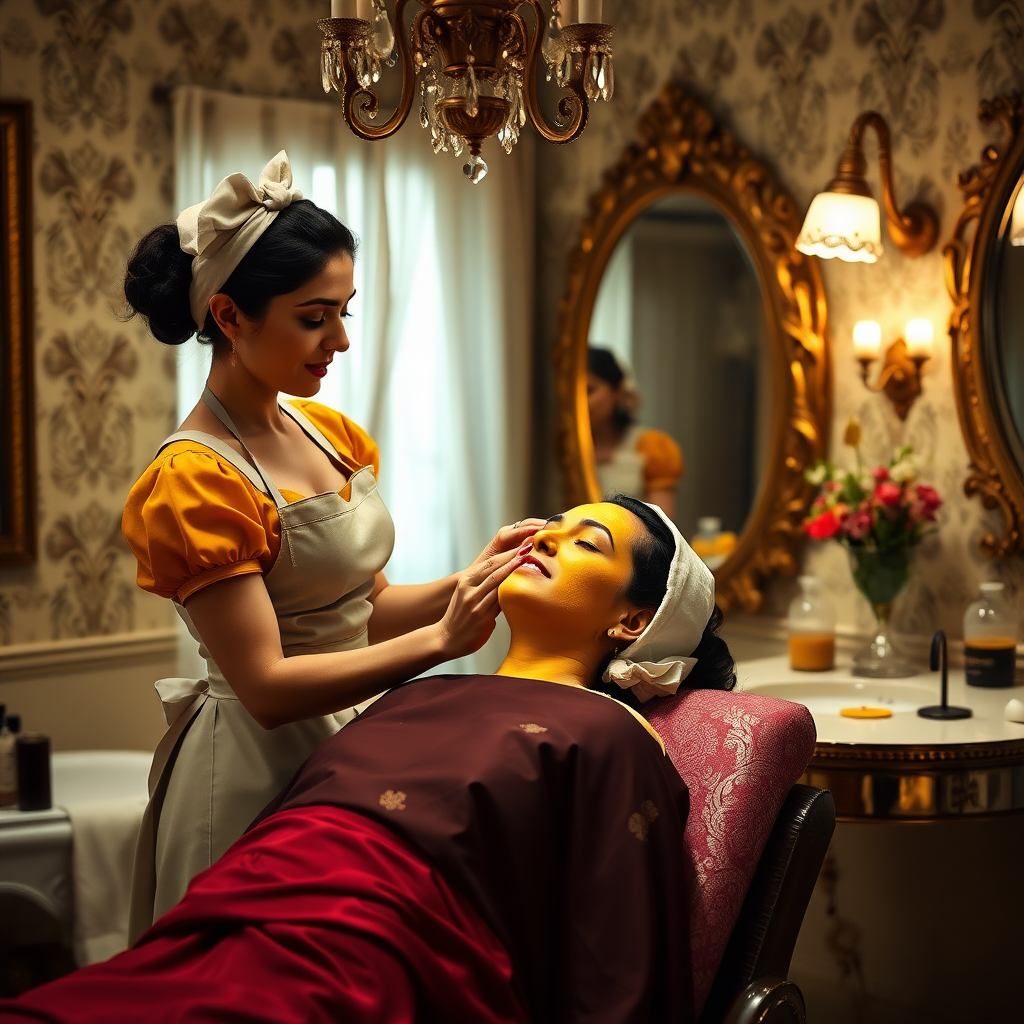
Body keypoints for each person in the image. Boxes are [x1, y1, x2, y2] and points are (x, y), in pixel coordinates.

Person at [3, 497, 735, 1024]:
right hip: (241, 905)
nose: (544, 538)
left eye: (587, 543)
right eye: (554, 523)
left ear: (632, 621)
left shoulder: (612, 735)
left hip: (369, 953)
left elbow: (616, 956)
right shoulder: (421, 692)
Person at [119, 151, 542, 937]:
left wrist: (477, 578)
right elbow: (270, 688)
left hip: (350, 753)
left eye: (346, 310)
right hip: (251, 777)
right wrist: (444, 642)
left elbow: (368, 610)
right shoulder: (195, 480)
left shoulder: (330, 436)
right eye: (314, 317)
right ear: (229, 317)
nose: (340, 340)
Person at [588, 346, 684, 517]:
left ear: (616, 391)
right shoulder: (565, 450)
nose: (581, 402)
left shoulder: (651, 446)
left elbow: (661, 527)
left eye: (590, 391)